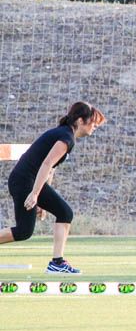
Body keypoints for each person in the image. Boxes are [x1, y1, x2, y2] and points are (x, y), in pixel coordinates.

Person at [1, 102, 106, 274]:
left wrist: (41, 200)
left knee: (61, 214)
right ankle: (57, 263)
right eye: (93, 123)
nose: (95, 127)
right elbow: (46, 163)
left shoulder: (66, 135)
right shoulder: (66, 138)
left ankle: (57, 263)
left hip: (28, 181)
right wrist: (35, 194)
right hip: (24, 181)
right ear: (80, 121)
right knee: (24, 230)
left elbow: (51, 168)